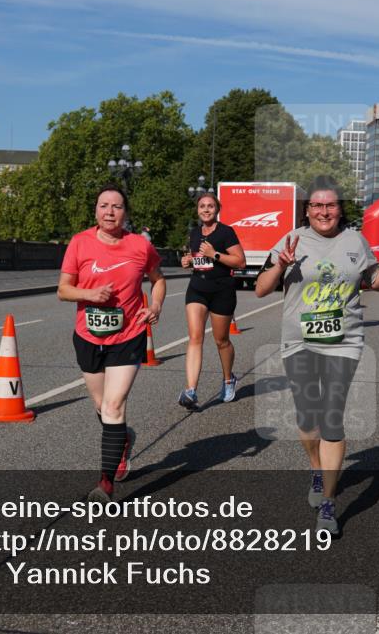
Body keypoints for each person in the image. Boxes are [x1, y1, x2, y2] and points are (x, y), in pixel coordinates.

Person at [255, 175, 379, 535]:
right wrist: (281, 264)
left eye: (330, 205)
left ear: (340, 209)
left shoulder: (354, 240)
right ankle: (316, 468)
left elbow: (373, 281)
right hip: (299, 340)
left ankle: (328, 503)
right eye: (316, 205)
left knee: (332, 417)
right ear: (307, 210)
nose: (324, 211)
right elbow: (261, 289)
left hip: (344, 340)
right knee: (307, 415)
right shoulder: (291, 240)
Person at [58, 186, 166, 502]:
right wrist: (88, 294)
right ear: (95, 210)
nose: (109, 212)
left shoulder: (139, 246)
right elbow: (63, 290)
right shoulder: (79, 243)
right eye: (103, 206)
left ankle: (105, 483)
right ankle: (122, 440)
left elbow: (158, 279)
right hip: (88, 336)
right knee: (101, 406)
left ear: (125, 213)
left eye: (116, 206)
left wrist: (156, 305)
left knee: (113, 405)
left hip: (128, 335)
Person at [179, 193, 247, 409]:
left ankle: (228, 379)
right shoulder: (194, 232)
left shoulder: (226, 232)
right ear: (197, 210)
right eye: (202, 206)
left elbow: (240, 262)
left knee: (221, 340)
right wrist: (189, 261)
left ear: (217, 209)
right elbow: (198, 261)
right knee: (195, 337)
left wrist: (214, 254)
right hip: (197, 288)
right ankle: (190, 391)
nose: (206, 209)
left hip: (222, 290)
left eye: (210, 206)